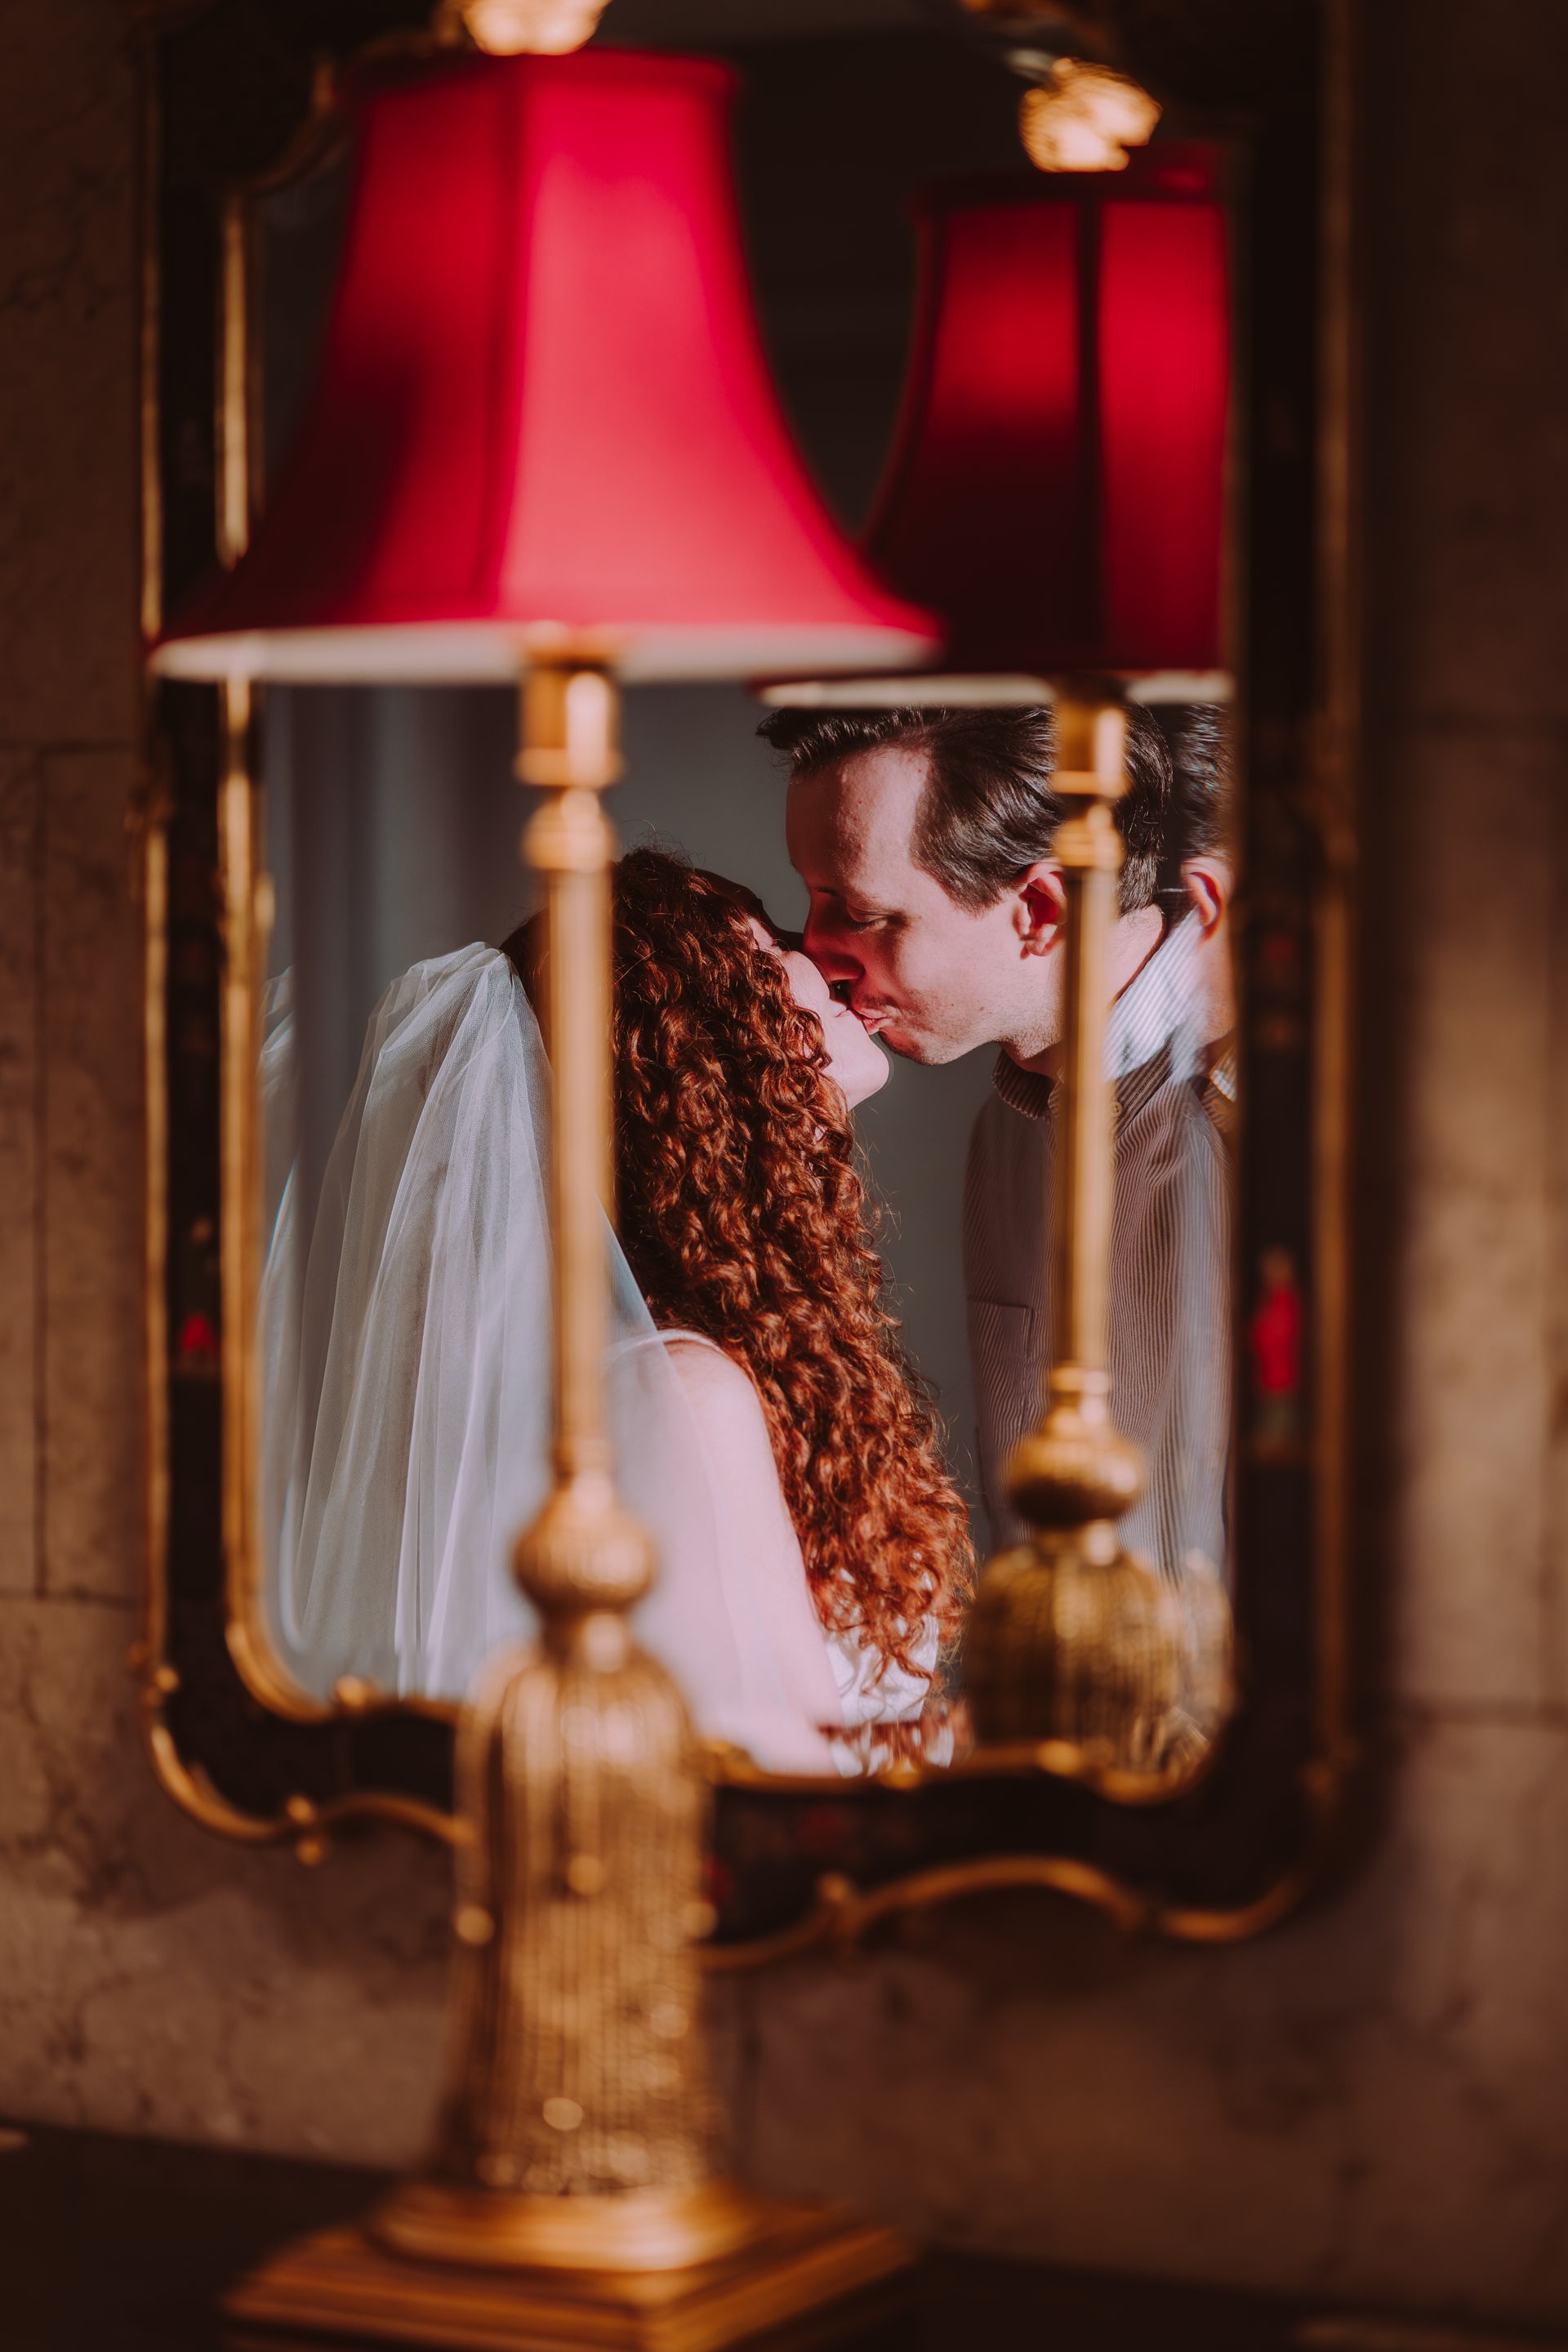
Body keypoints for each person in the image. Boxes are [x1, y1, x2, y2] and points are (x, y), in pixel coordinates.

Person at [265, 848, 971, 1775]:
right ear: (704, 1050)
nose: (819, 958)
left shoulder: (673, 1367)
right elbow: (791, 1795)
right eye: (769, 949)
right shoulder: (678, 1390)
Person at [764, 699, 1232, 1713]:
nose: (820, 951)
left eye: (863, 910)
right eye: (814, 902)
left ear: (1043, 910)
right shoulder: (1006, 1132)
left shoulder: (1268, 1118)